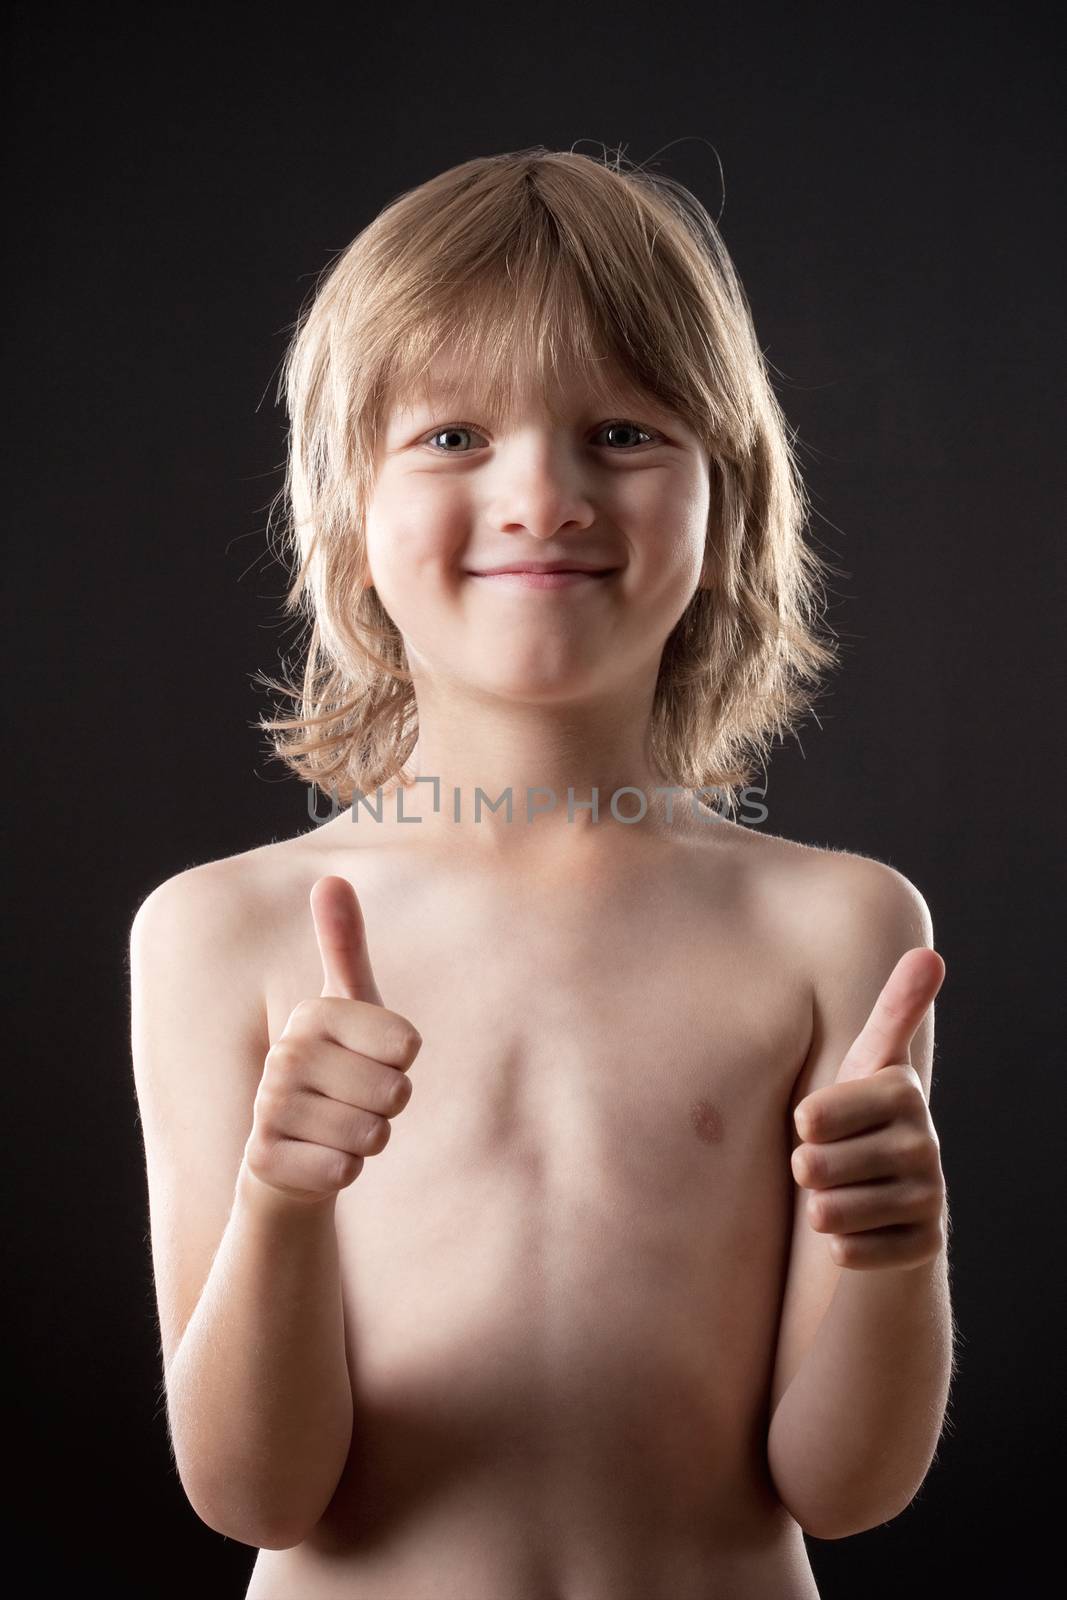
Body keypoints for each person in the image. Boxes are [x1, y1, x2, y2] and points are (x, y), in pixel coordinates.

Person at [128, 146, 955, 1597]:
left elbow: (840, 1488)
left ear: (728, 500)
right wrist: (281, 1196)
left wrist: (895, 1253)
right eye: (453, 437)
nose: (546, 496)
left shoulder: (836, 925)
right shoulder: (223, 932)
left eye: (625, 433)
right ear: (346, 509)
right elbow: (257, 1488)